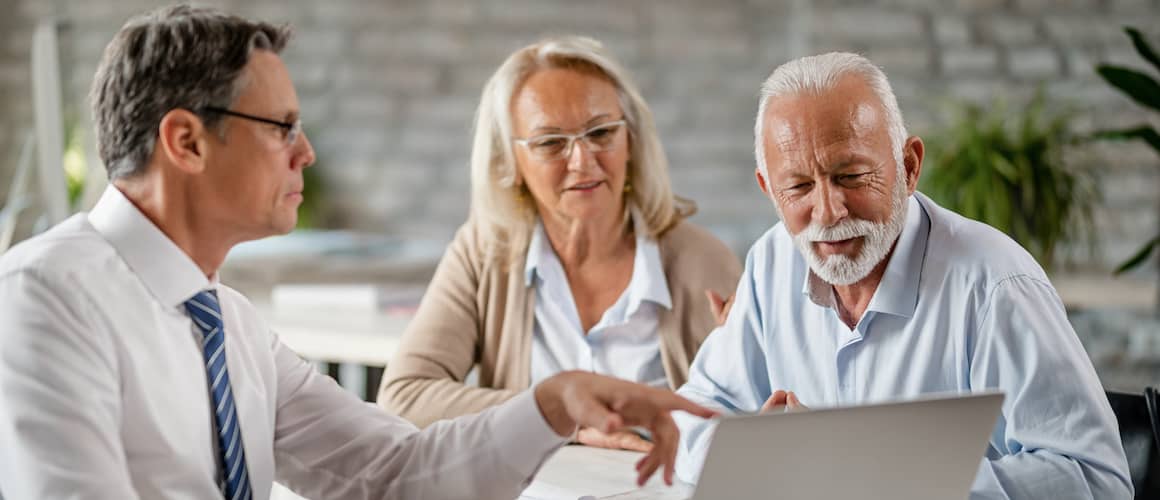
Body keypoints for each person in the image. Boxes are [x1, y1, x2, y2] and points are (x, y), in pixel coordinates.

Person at [0, 7, 716, 500]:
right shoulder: (44, 296)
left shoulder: (232, 328)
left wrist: (556, 404)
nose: (306, 153)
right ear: (185, 141)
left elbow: (395, 473)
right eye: (282, 127)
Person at [672, 52, 1133, 499]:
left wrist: (872, 475)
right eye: (798, 187)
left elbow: (1096, 480)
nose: (828, 213)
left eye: (851, 176)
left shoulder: (996, 285)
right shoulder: (772, 260)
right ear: (768, 189)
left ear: (909, 166)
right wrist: (759, 455)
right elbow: (694, 416)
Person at [377, 36, 742, 452]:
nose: (582, 162)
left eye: (601, 133)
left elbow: (746, 417)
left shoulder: (703, 261)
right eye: (550, 142)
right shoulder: (484, 252)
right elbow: (405, 397)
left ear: (632, 143)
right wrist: (563, 415)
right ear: (509, 163)